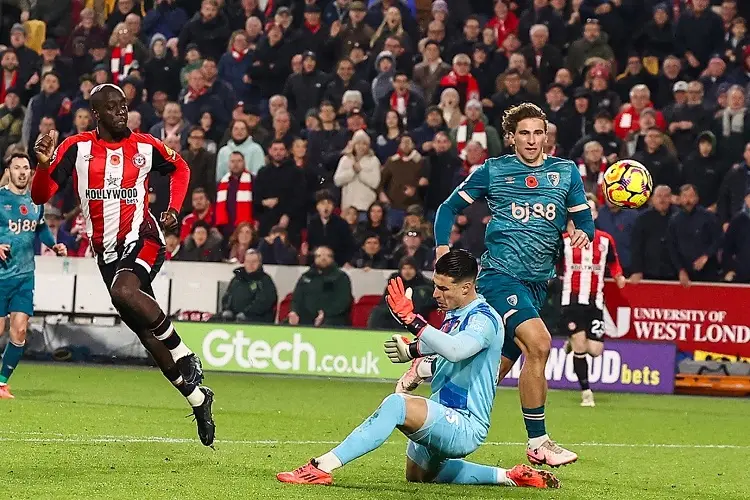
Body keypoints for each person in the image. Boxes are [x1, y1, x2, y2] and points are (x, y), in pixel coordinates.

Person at [277, 250, 560, 489]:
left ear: (466, 287)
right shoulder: (457, 315)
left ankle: (320, 467)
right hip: (443, 413)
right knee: (419, 476)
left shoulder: (484, 318)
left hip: (465, 424)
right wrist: (412, 352)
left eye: (444, 288)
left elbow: (456, 349)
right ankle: (510, 476)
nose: (436, 293)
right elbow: (444, 346)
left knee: (396, 406)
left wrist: (413, 320)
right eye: (436, 285)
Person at [30, 84, 215, 446]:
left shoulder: (146, 146)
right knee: (145, 332)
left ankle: (185, 353)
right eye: (112, 108)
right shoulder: (76, 148)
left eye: (124, 106)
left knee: (125, 291)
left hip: (144, 238)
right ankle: (197, 399)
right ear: (96, 114)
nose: (121, 112)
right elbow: (41, 196)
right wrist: (41, 166)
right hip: (107, 254)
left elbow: (180, 169)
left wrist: (175, 208)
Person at [431, 103, 593, 466]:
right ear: (511, 137)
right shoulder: (494, 170)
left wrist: (583, 232)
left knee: (490, 371)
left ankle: (434, 405)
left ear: (546, 134)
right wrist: (443, 249)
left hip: (538, 284)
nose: (533, 140)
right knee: (539, 344)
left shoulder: (565, 173)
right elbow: (446, 208)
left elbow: (585, 221)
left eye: (539, 132)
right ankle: (538, 442)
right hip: (500, 276)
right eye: (525, 133)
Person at [0, 153, 67, 399]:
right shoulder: (0, 199)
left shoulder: (36, 201)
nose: (21, 172)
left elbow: (41, 228)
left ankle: (1, 383)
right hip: (0, 276)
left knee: (19, 331)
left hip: (25, 276)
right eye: (16, 167)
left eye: (26, 168)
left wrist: (54, 245)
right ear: (8, 171)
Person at [559, 196, 626, 407]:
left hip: (595, 301)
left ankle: (571, 342)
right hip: (571, 300)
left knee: (595, 350)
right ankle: (586, 392)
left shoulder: (606, 240)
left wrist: (619, 276)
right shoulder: (564, 240)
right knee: (580, 346)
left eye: (591, 210)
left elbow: (614, 263)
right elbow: (553, 264)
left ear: (595, 214)